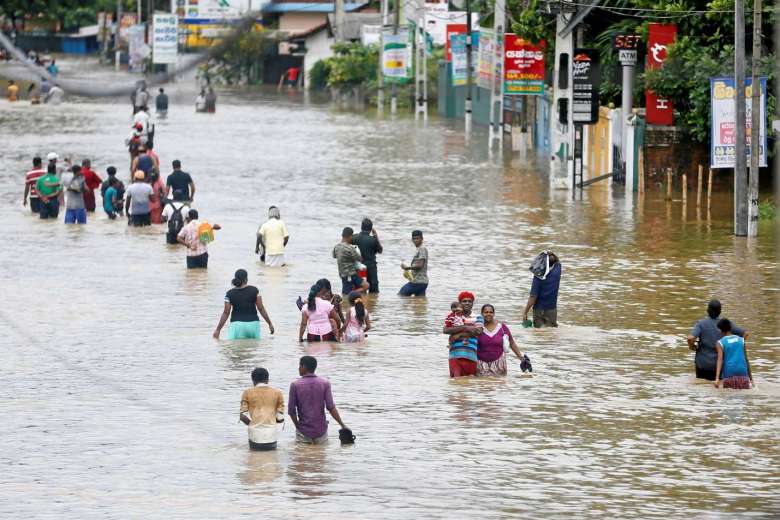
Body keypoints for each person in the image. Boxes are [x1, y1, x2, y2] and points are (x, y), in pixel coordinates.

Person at [288, 356, 349, 444]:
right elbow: (331, 407)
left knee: (301, 456)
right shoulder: (324, 383)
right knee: (321, 456)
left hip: (303, 430)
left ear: (304, 367)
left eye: (299, 366)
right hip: (321, 429)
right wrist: (342, 425)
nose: (298, 368)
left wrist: (298, 426)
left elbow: (291, 411)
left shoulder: (295, 385)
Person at [687, 299, 749, 381]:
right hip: (720, 365)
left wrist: (692, 346)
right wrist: (732, 347)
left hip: (703, 364)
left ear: (707, 310)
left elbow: (690, 338)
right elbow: (745, 334)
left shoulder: (701, 323)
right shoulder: (725, 323)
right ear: (720, 311)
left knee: (702, 385)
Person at [213, 269, 275, 340]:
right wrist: (269, 323)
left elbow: (226, 313)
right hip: (253, 325)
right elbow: (261, 308)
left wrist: (218, 330)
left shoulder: (229, 293)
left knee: (234, 348)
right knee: (253, 349)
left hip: (237, 325)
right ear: (246, 279)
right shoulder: (254, 290)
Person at [239, 367, 285, 451]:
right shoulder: (277, 393)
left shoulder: (247, 393)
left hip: (255, 436)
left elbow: (243, 417)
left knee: (254, 461)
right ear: (267, 379)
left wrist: (253, 423)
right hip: (271, 436)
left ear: (253, 380)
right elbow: (280, 418)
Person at [476, 304, 526, 376]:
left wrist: (521, 358)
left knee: (499, 384)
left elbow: (511, 343)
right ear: (482, 314)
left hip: (499, 363)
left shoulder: (502, 327)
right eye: (486, 312)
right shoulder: (477, 328)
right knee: (483, 384)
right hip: (481, 364)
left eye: (491, 312)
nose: (488, 314)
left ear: (494, 314)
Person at [442, 291, 483, 378]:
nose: (467, 303)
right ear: (460, 303)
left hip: (471, 355)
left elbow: (478, 332)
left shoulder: (478, 317)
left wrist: (457, 335)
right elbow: (445, 330)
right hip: (455, 355)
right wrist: (466, 328)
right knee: (457, 383)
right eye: (464, 301)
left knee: (470, 384)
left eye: (469, 301)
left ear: (472, 303)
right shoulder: (453, 316)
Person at [523, 251, 561, 328]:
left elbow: (533, 297)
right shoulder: (557, 270)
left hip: (539, 310)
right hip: (552, 310)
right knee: (551, 333)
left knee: (539, 334)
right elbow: (557, 260)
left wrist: (525, 312)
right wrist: (550, 253)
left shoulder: (538, 277)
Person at [714, 319, 753, 390]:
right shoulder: (741, 340)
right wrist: (751, 379)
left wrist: (717, 379)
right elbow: (746, 359)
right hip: (743, 373)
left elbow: (720, 360)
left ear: (720, 330)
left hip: (729, 374)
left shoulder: (720, 342)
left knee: (729, 398)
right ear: (730, 328)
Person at [333, 227, 369, 295]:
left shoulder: (336, 247)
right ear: (350, 236)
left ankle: (348, 297)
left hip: (342, 274)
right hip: (351, 275)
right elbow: (360, 259)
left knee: (346, 290)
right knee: (366, 286)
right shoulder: (350, 248)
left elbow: (334, 256)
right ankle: (351, 294)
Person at [352, 218, 383, 293]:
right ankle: (373, 303)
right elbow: (380, 250)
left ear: (361, 227)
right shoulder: (373, 239)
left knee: (360, 289)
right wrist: (376, 236)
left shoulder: (353, 238)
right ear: (370, 228)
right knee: (374, 290)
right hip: (371, 268)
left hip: (357, 267)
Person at [399, 230, 429, 297]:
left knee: (401, 294)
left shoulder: (422, 249)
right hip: (421, 282)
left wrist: (407, 268)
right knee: (419, 303)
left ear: (422, 238)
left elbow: (420, 265)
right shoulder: (419, 249)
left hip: (418, 282)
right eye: (414, 239)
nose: (415, 240)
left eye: (417, 238)